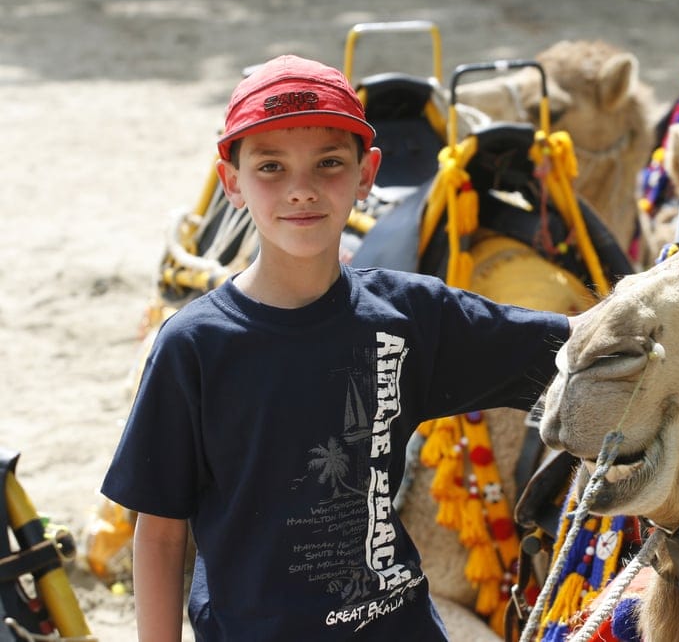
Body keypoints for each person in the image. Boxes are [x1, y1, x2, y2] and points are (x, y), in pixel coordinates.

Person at [100, 54, 573, 641]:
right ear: (232, 182)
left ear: (366, 173)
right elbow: (161, 531)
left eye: (328, 163)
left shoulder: (412, 316)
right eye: (270, 167)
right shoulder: (194, 347)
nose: (301, 190)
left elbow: (576, 348)